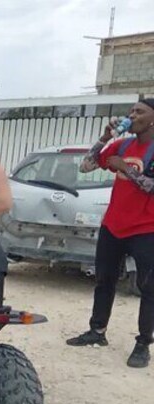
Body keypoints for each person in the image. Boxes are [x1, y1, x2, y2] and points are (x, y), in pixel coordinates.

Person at [66, 99, 154, 369]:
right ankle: (97, 331)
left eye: (139, 112)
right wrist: (104, 139)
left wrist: (124, 168)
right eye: (131, 111)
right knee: (104, 280)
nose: (132, 115)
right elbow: (87, 166)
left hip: (146, 229)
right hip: (113, 225)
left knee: (148, 287)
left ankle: (142, 344)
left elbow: (150, 187)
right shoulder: (122, 145)